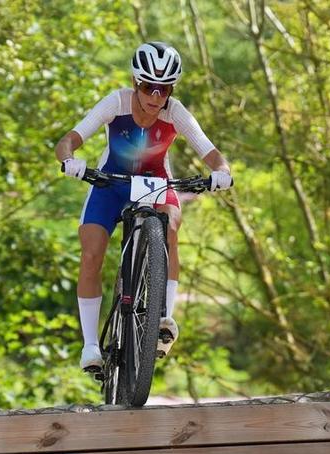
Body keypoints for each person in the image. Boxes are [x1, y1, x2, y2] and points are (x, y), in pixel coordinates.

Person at [55, 41, 232, 372]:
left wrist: (221, 172)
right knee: (91, 252)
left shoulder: (175, 112)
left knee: (171, 226)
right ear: (136, 83)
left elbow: (211, 152)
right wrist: (70, 160)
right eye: (149, 87)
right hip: (111, 184)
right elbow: (68, 141)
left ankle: (163, 317)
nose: (156, 97)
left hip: (156, 183)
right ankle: (91, 346)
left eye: (164, 89)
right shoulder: (116, 102)